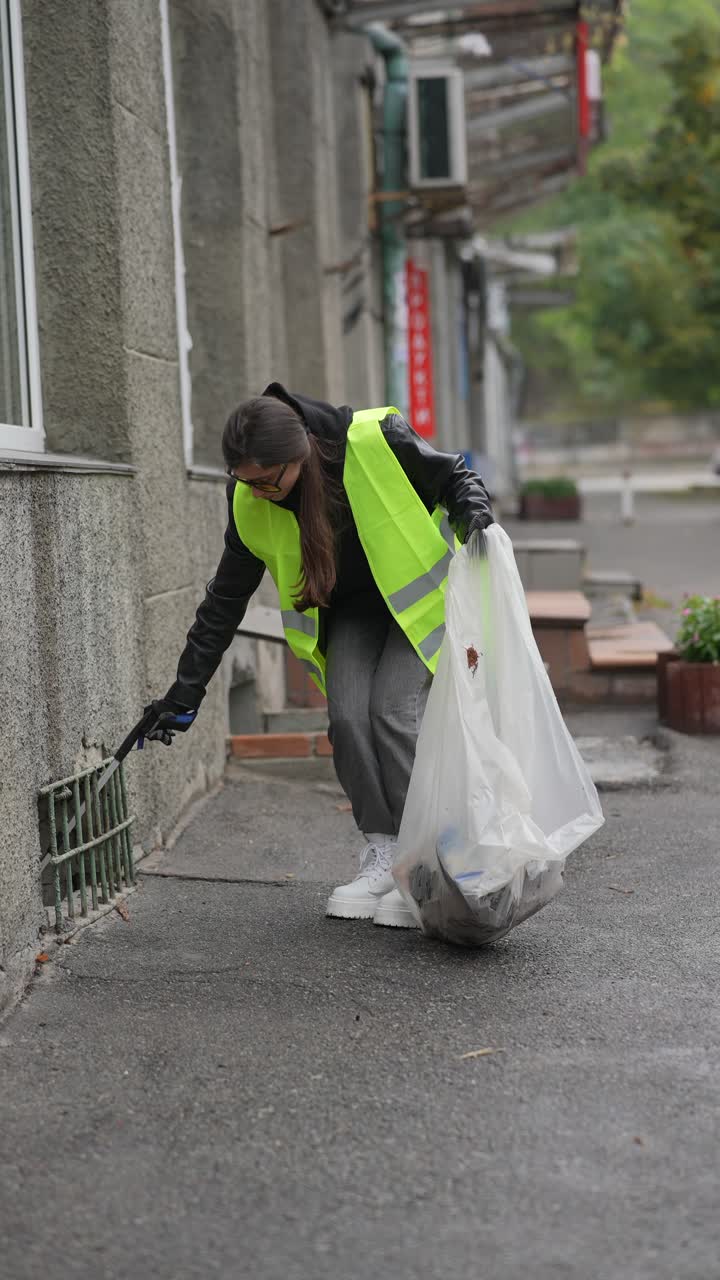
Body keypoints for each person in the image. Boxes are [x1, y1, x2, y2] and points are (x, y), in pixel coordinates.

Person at [146, 383, 494, 927]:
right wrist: (184, 692)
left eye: (266, 480)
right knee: (349, 718)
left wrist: (475, 518)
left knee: (391, 712)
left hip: (421, 605)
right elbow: (223, 603)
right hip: (351, 612)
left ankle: (426, 864)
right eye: (245, 481)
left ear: (302, 452)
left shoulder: (375, 439)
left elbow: (454, 477)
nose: (257, 492)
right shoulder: (249, 503)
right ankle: (385, 852)